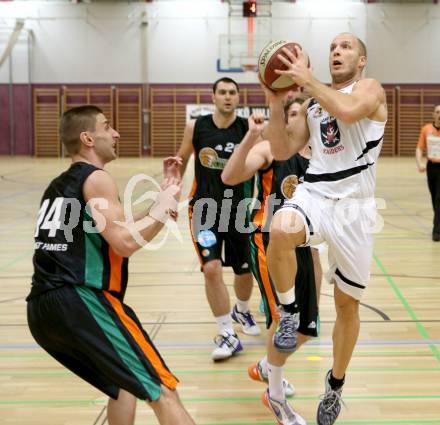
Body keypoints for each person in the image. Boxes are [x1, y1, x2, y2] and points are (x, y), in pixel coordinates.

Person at [26, 105, 195, 425]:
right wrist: (163, 206)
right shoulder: (97, 178)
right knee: (163, 390)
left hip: (41, 310)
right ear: (88, 138)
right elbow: (126, 242)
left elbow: (118, 228)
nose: (116, 133)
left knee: (123, 385)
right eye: (108, 126)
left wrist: (165, 196)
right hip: (80, 299)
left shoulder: (58, 186)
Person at [263, 33, 387, 425]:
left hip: (355, 209)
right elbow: (283, 150)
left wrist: (307, 81)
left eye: (346, 47)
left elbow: (350, 112)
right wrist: (274, 99)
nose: (337, 51)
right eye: (332, 47)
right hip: (316, 192)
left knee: (347, 305)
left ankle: (335, 386)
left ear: (362, 60)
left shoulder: (369, 89)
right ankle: (287, 312)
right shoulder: (314, 105)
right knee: (280, 229)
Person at [222, 97, 322, 425]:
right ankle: (275, 396)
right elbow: (229, 176)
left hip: (308, 246)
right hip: (268, 240)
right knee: (283, 321)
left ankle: (268, 366)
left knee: (309, 325)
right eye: (289, 114)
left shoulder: (323, 158)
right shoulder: (270, 150)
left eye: (299, 114)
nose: (293, 120)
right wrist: (251, 137)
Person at [164, 77, 260, 361]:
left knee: (244, 271)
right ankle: (227, 333)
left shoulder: (248, 130)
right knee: (212, 269)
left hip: (240, 211)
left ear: (238, 98)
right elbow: (180, 160)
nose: (228, 97)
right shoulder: (196, 126)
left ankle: (241, 309)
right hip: (204, 210)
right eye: (223, 92)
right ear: (213, 96)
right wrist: (170, 193)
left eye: (232, 93)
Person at [415, 104, 440, 241]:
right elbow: (419, 148)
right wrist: (419, 163)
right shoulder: (426, 129)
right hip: (431, 167)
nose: (439, 114)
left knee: (439, 199)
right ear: (433, 115)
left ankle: (436, 231)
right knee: (434, 197)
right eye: (437, 112)